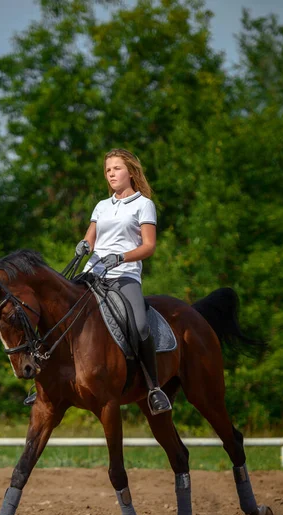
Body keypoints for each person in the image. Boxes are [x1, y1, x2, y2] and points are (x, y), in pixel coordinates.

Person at [75, 148, 172, 415]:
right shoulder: (102, 206)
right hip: (93, 273)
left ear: (130, 171)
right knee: (58, 309)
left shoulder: (144, 204)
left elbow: (149, 246)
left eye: (116, 168)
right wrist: (83, 246)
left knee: (140, 326)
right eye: (108, 171)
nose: (111, 174)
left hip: (124, 275)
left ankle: (154, 388)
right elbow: (90, 238)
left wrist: (120, 257)